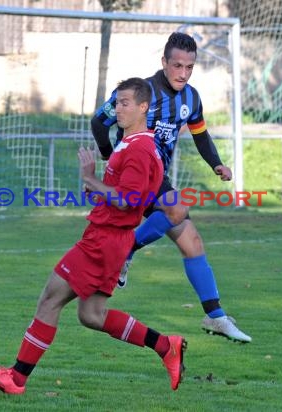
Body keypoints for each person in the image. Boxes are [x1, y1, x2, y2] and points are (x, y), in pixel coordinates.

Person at [0, 78, 186, 395]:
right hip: (110, 239)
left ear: (144, 107)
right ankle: (165, 345)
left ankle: (16, 379)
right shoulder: (133, 144)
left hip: (104, 241)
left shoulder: (141, 148)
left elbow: (129, 200)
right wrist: (98, 189)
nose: (118, 109)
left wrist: (91, 179)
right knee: (91, 315)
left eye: (125, 103)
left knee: (50, 299)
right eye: (116, 103)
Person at [91, 32, 252, 343]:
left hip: (155, 176)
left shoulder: (191, 98)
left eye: (189, 67)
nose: (183, 72)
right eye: (177, 65)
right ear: (163, 62)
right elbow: (100, 123)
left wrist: (215, 163)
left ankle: (215, 316)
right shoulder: (140, 92)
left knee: (192, 241)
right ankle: (127, 249)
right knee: (177, 208)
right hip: (135, 173)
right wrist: (112, 158)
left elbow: (200, 135)